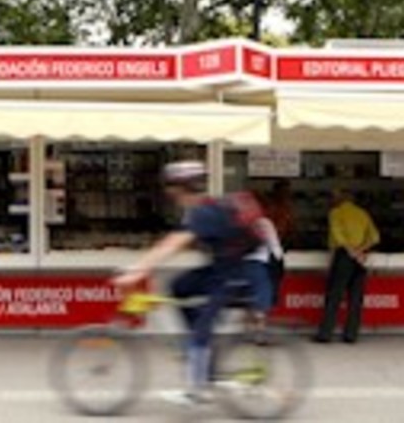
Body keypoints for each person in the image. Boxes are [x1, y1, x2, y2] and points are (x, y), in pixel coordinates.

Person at [113, 161, 262, 405]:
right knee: (179, 286)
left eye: (172, 189)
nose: (170, 194)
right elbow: (173, 241)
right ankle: (201, 351)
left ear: (181, 189)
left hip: (237, 276)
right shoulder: (200, 210)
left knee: (202, 327)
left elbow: (172, 245)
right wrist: (139, 267)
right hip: (222, 270)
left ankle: (197, 390)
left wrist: (138, 270)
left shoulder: (205, 213)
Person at [315, 189, 380, 344]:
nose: (332, 200)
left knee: (334, 295)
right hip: (360, 258)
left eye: (335, 197)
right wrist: (360, 250)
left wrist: (351, 251)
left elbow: (338, 235)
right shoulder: (362, 213)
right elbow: (375, 237)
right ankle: (351, 335)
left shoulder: (335, 213)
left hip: (344, 256)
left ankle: (325, 334)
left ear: (341, 199)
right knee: (356, 297)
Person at [242, 208, 284, 341]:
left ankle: (248, 329)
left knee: (248, 296)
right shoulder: (264, 223)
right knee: (262, 297)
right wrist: (279, 262)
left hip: (240, 265)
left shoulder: (239, 222)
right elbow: (275, 247)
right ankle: (259, 332)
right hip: (259, 265)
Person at [266, 180, 293, 306]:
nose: (288, 194)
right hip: (271, 247)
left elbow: (290, 227)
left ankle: (272, 301)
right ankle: (270, 302)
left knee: (276, 275)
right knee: (273, 276)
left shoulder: (286, 207)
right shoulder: (273, 207)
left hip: (278, 246)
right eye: (285, 191)